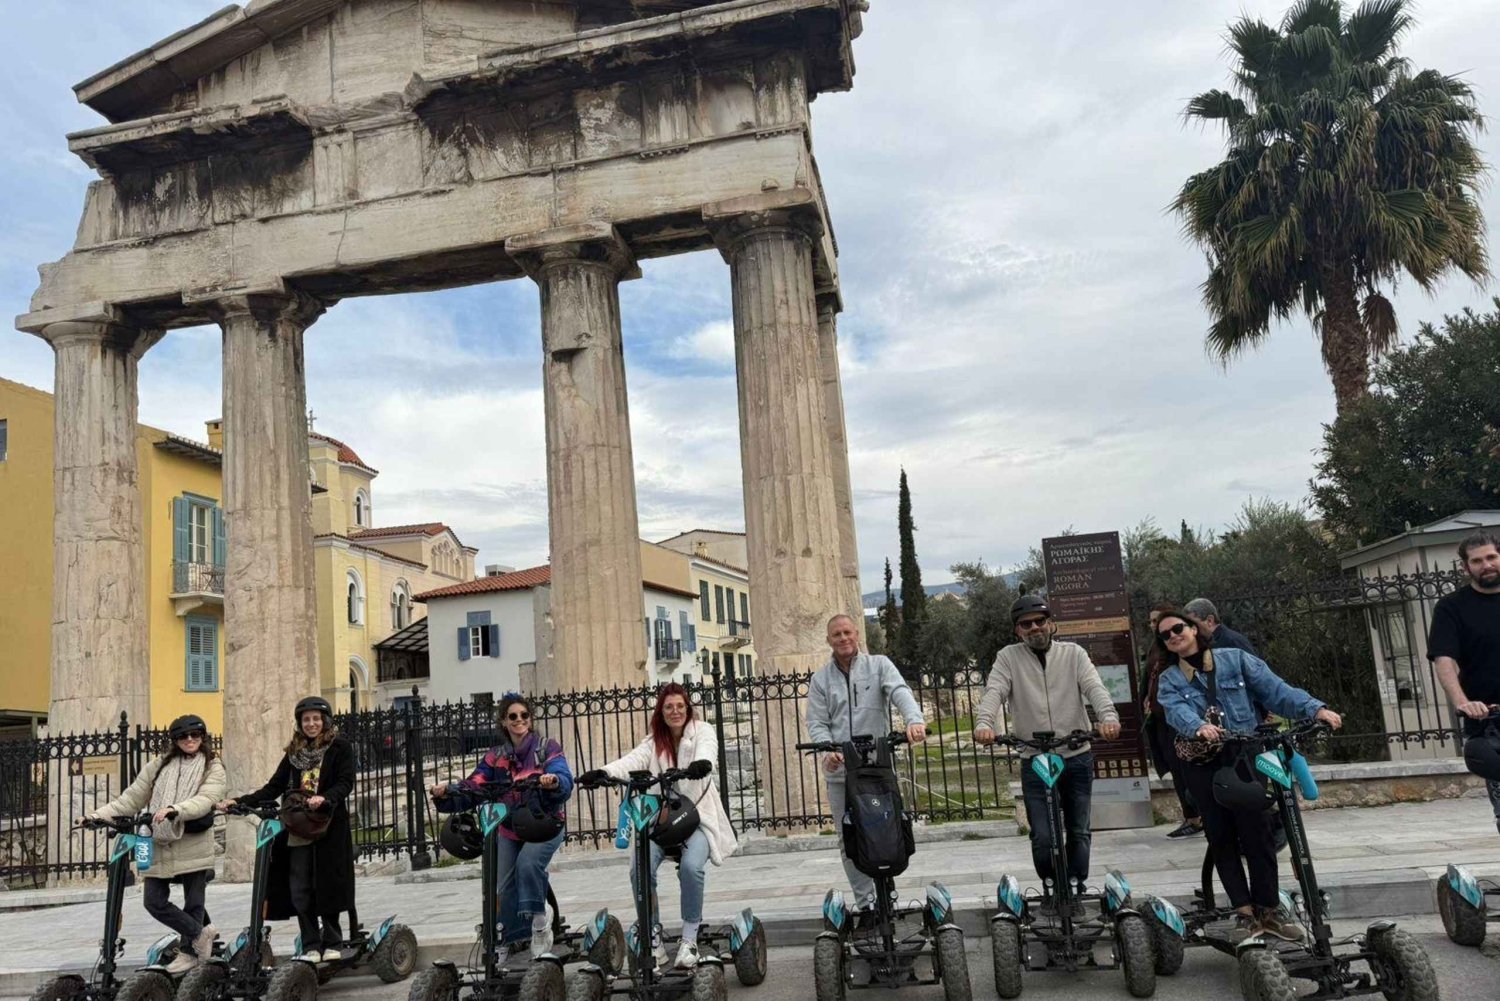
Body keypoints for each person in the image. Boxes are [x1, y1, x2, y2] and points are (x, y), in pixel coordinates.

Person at [1153, 609, 1342, 940]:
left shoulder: (1236, 660)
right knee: (1221, 835)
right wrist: (1199, 727)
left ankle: (1268, 910)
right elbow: (1176, 712)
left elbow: (1276, 691)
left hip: (1247, 754)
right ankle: (1243, 912)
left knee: (1259, 831)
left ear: (1194, 629)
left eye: (1177, 628)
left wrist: (1316, 708)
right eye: (1165, 635)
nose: (1173, 636)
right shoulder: (1170, 679)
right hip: (1205, 762)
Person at [973, 595, 1119, 908]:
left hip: (1076, 753)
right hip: (1034, 757)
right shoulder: (1008, 658)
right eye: (1027, 624)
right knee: (1041, 834)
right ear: (1018, 631)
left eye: (1040, 621)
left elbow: (1095, 687)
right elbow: (994, 691)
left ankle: (1076, 885)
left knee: (1079, 829)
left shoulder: (1073, 654)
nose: (1035, 628)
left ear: (1051, 623)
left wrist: (1108, 717)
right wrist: (985, 723)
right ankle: (1052, 884)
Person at [579, 684, 736, 970]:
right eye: (668, 707)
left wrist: (702, 763)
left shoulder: (702, 730)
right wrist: (604, 772)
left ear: (688, 709)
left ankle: (689, 939)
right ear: (661, 712)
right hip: (661, 823)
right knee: (638, 867)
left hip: (695, 818)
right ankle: (652, 935)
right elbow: (632, 761)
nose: (675, 712)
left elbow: (708, 750)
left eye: (680, 706)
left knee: (691, 867)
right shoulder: (654, 741)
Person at [805, 613, 926, 933]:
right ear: (828, 640)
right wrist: (825, 748)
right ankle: (867, 904)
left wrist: (913, 719)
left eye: (847, 632)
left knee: (889, 830)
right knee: (849, 840)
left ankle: (887, 893)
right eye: (836, 634)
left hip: (878, 767)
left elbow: (899, 691)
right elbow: (817, 723)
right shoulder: (820, 680)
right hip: (842, 772)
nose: (843, 638)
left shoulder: (880, 665)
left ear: (856, 634)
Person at [430, 692, 572, 961]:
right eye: (513, 716)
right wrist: (446, 792)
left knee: (528, 864)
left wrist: (553, 781)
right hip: (509, 827)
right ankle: (504, 939)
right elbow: (474, 785)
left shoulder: (546, 748)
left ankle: (541, 923)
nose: (519, 720)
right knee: (501, 886)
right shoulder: (495, 757)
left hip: (544, 825)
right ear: (504, 722)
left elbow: (563, 775)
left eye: (524, 715)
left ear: (530, 719)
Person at [220, 696, 356, 963]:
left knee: (327, 885)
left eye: (317, 718)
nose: (312, 724)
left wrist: (326, 797)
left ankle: (333, 941)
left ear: (325, 721)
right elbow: (273, 787)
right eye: (306, 720)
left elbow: (345, 782)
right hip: (298, 827)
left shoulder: (340, 747)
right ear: (300, 723)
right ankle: (310, 944)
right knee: (300, 887)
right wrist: (239, 802)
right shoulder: (294, 754)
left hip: (329, 826)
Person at [88, 714, 226, 974]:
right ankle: (201, 934)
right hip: (159, 838)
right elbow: (130, 799)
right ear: (174, 740)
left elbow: (207, 799)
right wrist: (96, 815)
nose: (189, 740)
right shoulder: (159, 765)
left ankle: (189, 953)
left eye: (195, 735)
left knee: (194, 901)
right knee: (153, 901)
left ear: (203, 737)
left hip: (192, 839)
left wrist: (176, 809)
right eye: (183, 736)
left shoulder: (213, 766)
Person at [1428, 529, 1500, 833]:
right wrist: (1462, 702)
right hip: (1491, 722)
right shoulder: (1452, 607)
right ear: (1465, 567)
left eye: (1492, 557)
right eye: (1477, 560)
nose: (1487, 565)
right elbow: (1443, 658)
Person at [1141, 604, 1202, 839]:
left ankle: (1196, 816)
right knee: (1176, 769)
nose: (1155, 626)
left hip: (1179, 720)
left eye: (1175, 628)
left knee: (1185, 769)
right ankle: (1192, 816)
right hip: (1160, 718)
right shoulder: (1157, 648)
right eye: (1154, 623)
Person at [1184, 598, 1257, 655]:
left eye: (1192, 624)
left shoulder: (1233, 642)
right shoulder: (1203, 644)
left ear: (1210, 621)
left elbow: (1255, 671)